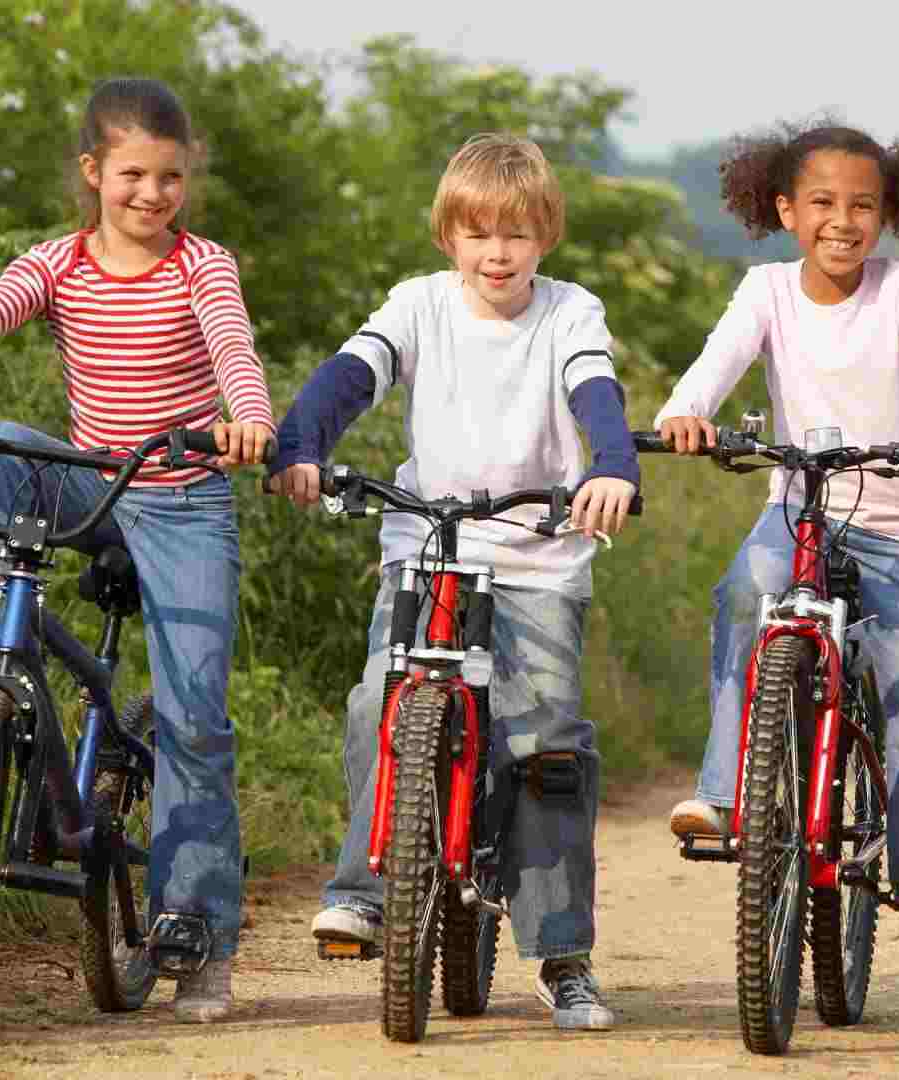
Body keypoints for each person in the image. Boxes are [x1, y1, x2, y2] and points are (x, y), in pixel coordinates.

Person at [0, 77, 275, 1024]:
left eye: (170, 178)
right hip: (93, 483)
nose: (151, 194)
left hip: (180, 496)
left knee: (195, 717)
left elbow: (234, 349)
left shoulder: (202, 264)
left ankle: (196, 931)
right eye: (132, 174)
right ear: (94, 173)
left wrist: (247, 420)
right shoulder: (58, 263)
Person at [652, 121, 899, 1053]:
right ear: (785, 211)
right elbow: (713, 366)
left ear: (888, 214)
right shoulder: (766, 290)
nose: (842, 223)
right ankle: (731, 789)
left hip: (898, 534)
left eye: (862, 206)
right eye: (822, 204)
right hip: (800, 515)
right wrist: (687, 412)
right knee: (745, 590)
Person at [269, 133, 639, 1032]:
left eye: (516, 234)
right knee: (375, 703)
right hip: (428, 550)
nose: (497, 253)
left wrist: (614, 465)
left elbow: (596, 395)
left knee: (547, 742)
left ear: (544, 236)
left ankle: (560, 952)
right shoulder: (418, 306)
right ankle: (363, 890)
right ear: (449, 237)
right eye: (479, 234)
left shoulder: (569, 314)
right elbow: (351, 377)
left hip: (538, 555)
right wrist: (300, 443)